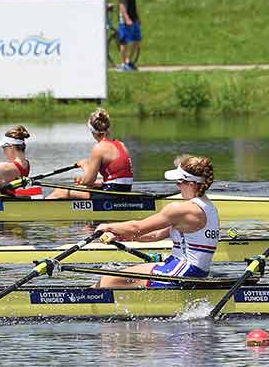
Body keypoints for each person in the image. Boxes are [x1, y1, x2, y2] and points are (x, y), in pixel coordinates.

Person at [96, 155, 218, 288]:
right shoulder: (210, 208)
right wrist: (120, 236)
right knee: (120, 275)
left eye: (179, 182)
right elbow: (156, 234)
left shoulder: (180, 209)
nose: (177, 186)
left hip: (182, 273)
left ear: (191, 184)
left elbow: (137, 227)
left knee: (107, 281)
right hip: (192, 271)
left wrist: (108, 226)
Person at [47, 108, 133, 199]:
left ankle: (39, 209)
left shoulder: (99, 148)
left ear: (93, 132)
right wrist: (90, 182)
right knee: (83, 187)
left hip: (111, 194)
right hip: (124, 191)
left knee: (61, 191)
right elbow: (118, 177)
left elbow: (88, 181)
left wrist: (84, 166)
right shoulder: (121, 144)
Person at [117, 0, 141, 71]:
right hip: (126, 21)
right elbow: (122, 6)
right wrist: (127, 19)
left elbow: (133, 7)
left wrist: (137, 18)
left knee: (137, 40)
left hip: (134, 19)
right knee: (124, 42)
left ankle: (129, 61)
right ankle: (123, 64)